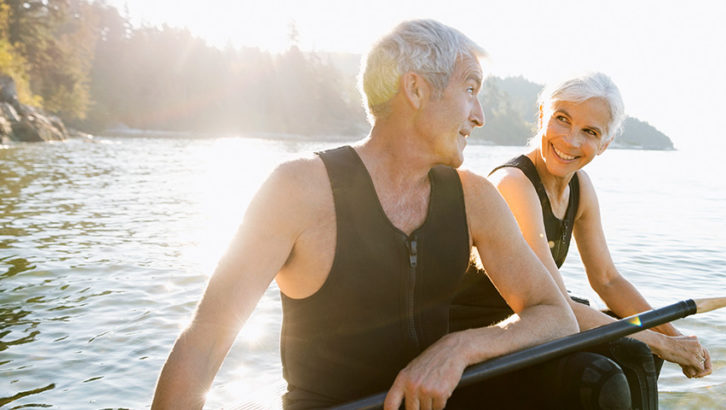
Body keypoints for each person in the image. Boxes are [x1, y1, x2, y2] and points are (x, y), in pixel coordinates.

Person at [151, 20, 580, 410]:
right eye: (470, 89)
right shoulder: (298, 189)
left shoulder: (475, 197)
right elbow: (204, 342)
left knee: (595, 379)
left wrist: (460, 348)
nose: (480, 115)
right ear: (415, 89)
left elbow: (554, 315)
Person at [451, 73, 713, 409]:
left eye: (589, 132)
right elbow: (553, 303)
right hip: (491, 330)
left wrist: (676, 339)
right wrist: (659, 343)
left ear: (605, 144)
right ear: (542, 115)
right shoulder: (513, 183)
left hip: (539, 324)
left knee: (641, 341)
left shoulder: (580, 187)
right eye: (562, 119)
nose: (571, 141)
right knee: (632, 350)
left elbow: (607, 279)